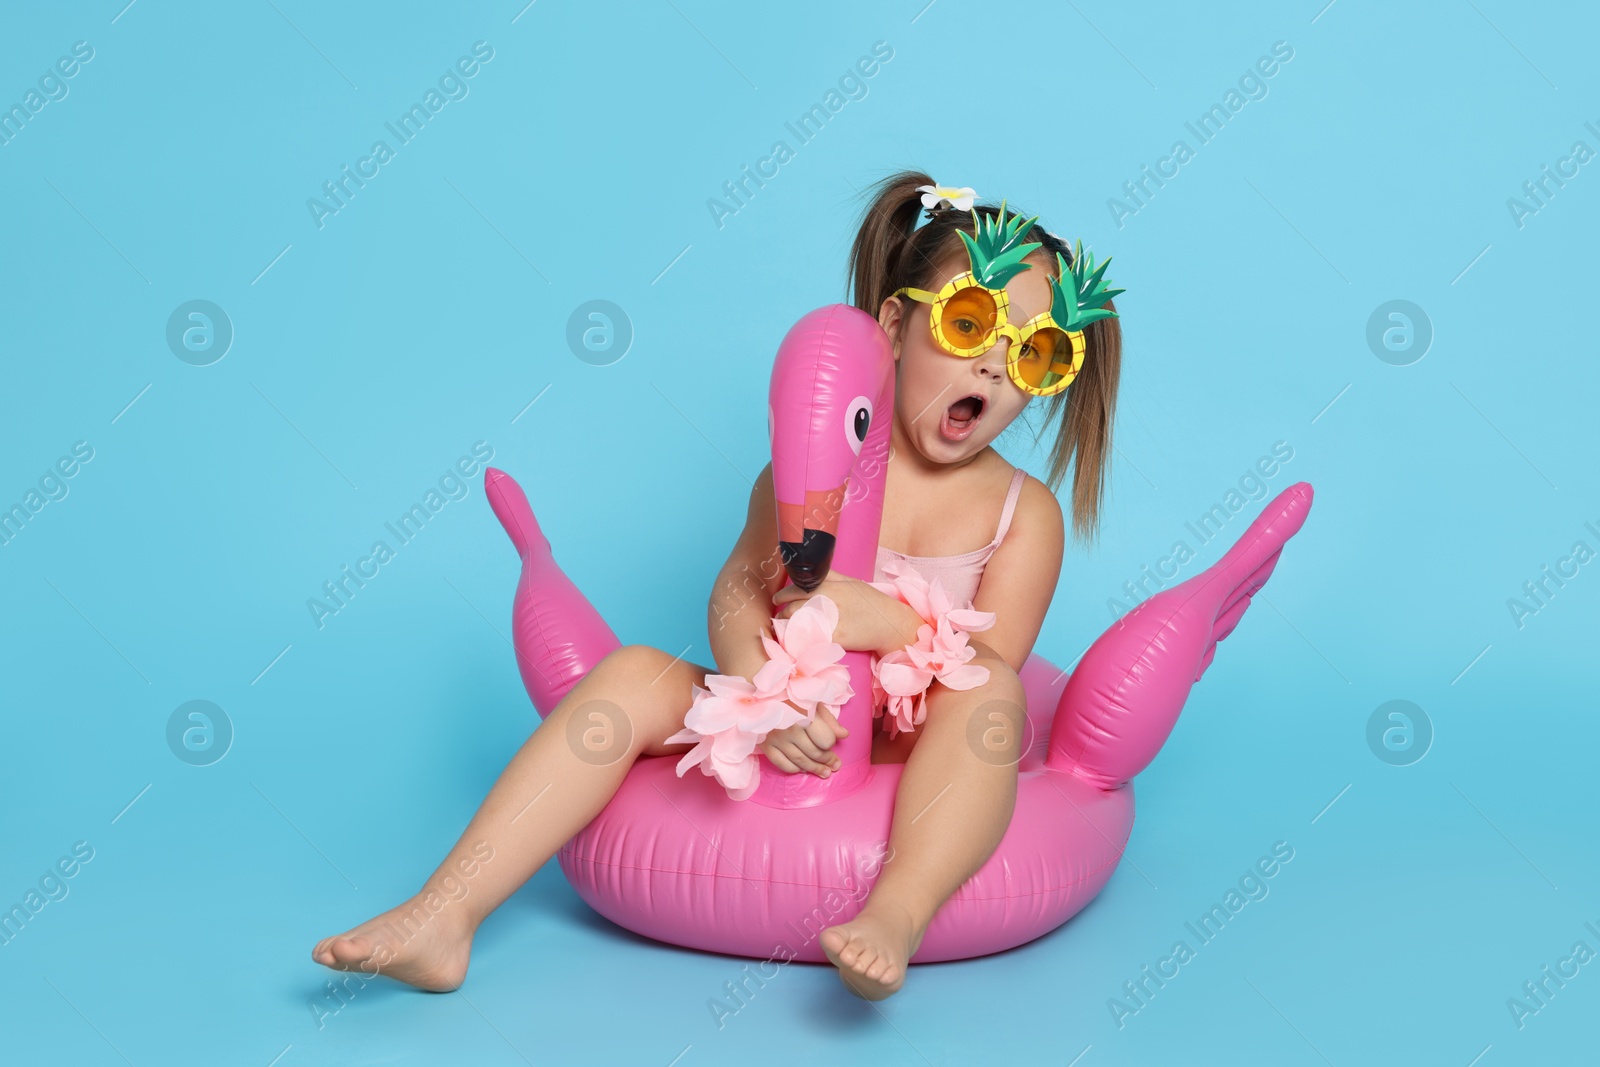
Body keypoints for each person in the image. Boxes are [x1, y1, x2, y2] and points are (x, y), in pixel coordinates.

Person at [311, 169, 1124, 1001]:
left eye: (1036, 354)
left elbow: (991, 666)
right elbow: (738, 590)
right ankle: (445, 913)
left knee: (989, 700)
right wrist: (764, 695)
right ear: (892, 325)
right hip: (786, 717)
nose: (994, 366)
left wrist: (881, 621)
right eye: (968, 324)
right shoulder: (809, 469)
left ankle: (900, 910)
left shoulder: (1024, 515)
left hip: (904, 748)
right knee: (628, 674)